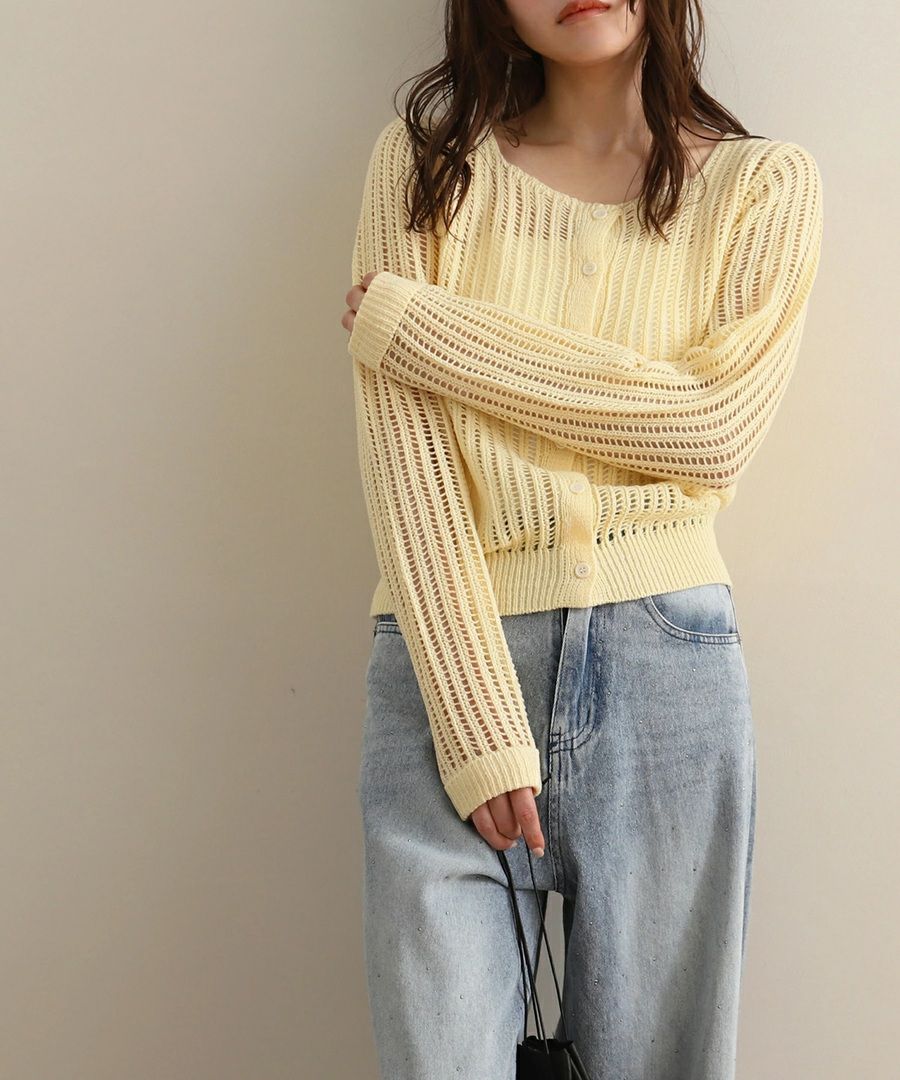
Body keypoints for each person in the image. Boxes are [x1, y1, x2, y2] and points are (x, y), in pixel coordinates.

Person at [341, 2, 824, 1077]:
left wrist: (428, 331)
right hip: (445, 669)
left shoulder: (762, 187)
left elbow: (712, 430)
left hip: (669, 678)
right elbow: (408, 467)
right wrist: (475, 720)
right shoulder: (425, 172)